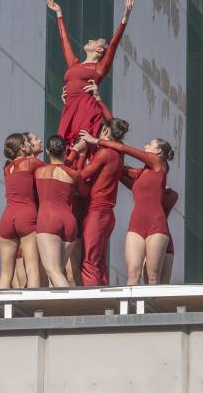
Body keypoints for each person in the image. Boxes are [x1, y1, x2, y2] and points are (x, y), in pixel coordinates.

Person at [80, 129, 174, 285]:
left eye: (149, 144)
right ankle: (131, 309)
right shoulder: (141, 173)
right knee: (132, 272)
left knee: (152, 275)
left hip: (156, 225)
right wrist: (96, 153)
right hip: (136, 225)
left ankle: (151, 309)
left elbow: (124, 149)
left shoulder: (159, 165)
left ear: (157, 150)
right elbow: (115, 167)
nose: (145, 145)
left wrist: (96, 140)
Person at [45, 0, 135, 147]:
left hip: (85, 107)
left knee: (80, 141)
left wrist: (125, 17)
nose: (89, 41)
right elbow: (64, 41)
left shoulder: (99, 68)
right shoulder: (75, 64)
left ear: (99, 49)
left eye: (94, 41)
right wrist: (58, 13)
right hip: (70, 106)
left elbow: (113, 44)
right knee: (64, 142)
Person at [72, 118, 129, 286]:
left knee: (90, 261)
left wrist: (80, 154)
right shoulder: (119, 154)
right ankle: (104, 299)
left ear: (104, 131)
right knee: (99, 261)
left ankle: (91, 304)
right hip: (107, 214)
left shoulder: (104, 154)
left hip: (97, 212)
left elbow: (80, 176)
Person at [0, 132, 42, 289]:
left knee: (5, 274)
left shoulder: (7, 168)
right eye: (27, 143)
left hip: (7, 218)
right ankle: (34, 312)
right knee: (33, 270)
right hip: (26, 215)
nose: (30, 144)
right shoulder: (30, 163)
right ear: (22, 147)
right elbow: (56, 169)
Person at [34, 135, 80, 287]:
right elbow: (84, 191)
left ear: (47, 151)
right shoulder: (74, 174)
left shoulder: (39, 171)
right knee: (58, 271)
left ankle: (70, 308)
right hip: (69, 221)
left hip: (48, 219)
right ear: (65, 151)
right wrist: (76, 152)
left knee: (53, 271)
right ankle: (58, 310)